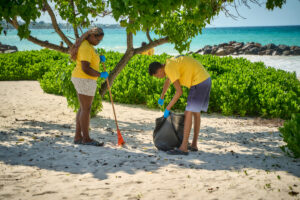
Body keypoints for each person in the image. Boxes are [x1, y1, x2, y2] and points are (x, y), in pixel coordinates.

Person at [148, 55, 211, 155]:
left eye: (157, 76)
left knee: (188, 113)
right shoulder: (169, 64)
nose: (158, 78)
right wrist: (162, 96)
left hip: (198, 82)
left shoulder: (169, 68)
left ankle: (183, 148)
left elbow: (179, 92)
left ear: (159, 70)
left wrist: (168, 108)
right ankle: (193, 145)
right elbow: (167, 81)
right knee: (195, 113)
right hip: (205, 79)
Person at [69, 27, 108, 146]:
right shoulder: (85, 46)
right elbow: (85, 68)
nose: (98, 43)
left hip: (83, 79)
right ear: (92, 36)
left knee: (83, 108)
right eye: (98, 40)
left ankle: (78, 137)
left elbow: (89, 62)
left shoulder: (87, 45)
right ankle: (86, 139)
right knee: (86, 109)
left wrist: (98, 58)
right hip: (84, 79)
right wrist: (100, 74)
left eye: (100, 41)